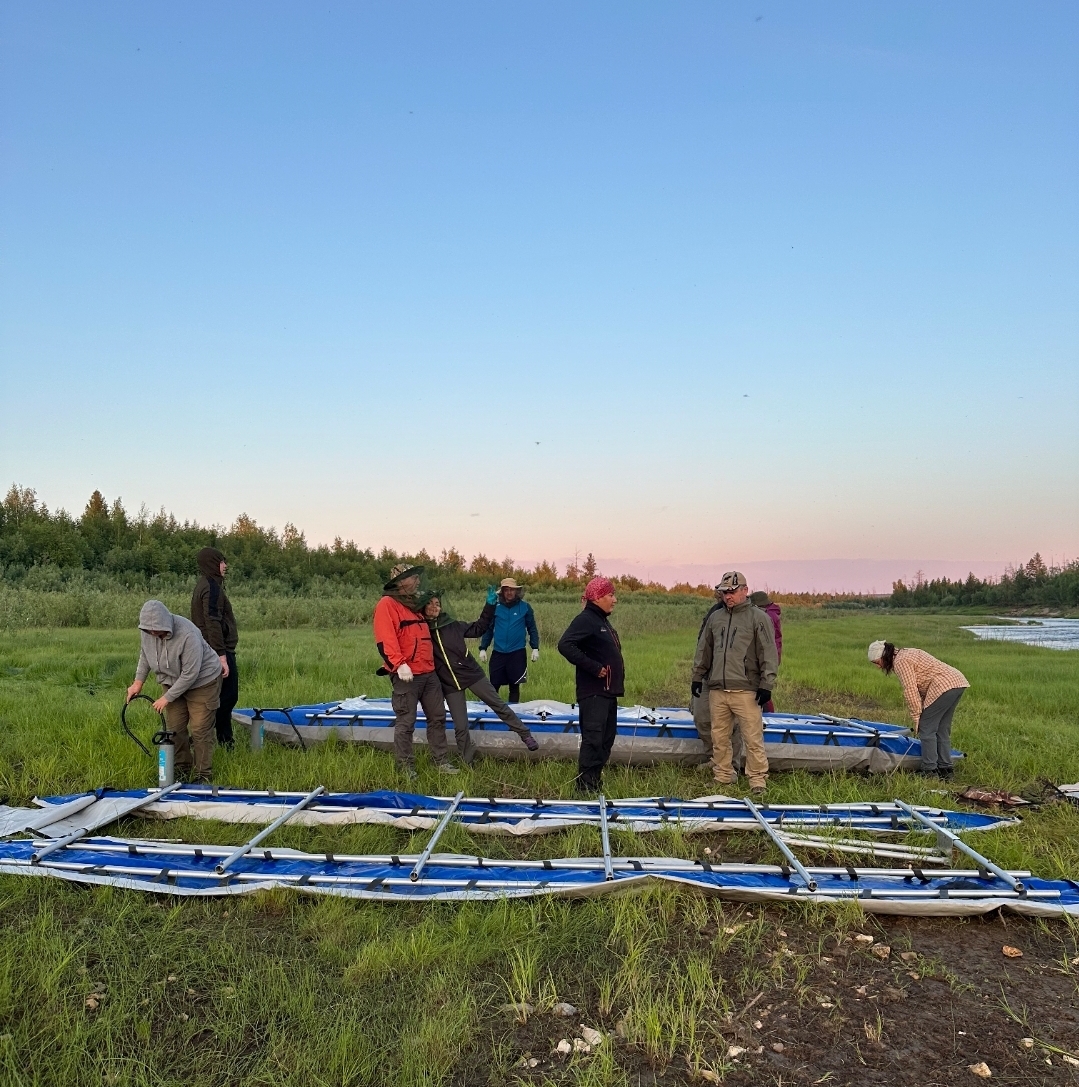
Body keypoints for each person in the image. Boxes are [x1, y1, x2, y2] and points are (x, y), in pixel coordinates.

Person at [423, 589, 540, 764]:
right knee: (461, 726)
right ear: (423, 607)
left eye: (437, 604)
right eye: (430, 604)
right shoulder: (421, 629)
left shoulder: (452, 624)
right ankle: (468, 761)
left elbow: (479, 628)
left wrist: (490, 605)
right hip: (450, 683)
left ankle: (525, 734)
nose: (434, 607)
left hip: (471, 674)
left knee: (498, 704)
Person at [691, 571, 778, 794]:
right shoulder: (715, 617)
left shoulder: (759, 618)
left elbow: (768, 653)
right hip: (718, 689)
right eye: (724, 592)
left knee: (752, 738)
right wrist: (697, 677)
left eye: (731, 591)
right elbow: (704, 650)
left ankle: (757, 780)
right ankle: (723, 775)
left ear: (744, 591)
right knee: (719, 737)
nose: (727, 596)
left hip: (746, 689)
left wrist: (766, 685)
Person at [373, 564, 458, 779]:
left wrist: (433, 612)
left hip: (429, 673)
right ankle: (405, 768)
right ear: (401, 581)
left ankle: (441, 762)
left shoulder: (415, 604)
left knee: (438, 718)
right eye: (413, 578)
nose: (418, 581)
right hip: (406, 675)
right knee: (406, 722)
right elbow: (385, 638)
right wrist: (399, 663)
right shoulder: (387, 604)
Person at [126, 599, 223, 783]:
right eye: (149, 630)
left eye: (157, 630)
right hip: (171, 681)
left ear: (166, 623)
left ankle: (203, 775)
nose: (153, 633)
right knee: (175, 729)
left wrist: (166, 698)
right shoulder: (147, 632)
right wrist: (138, 682)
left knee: (200, 729)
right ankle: (182, 769)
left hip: (203, 681)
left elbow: (190, 673)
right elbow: (145, 655)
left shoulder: (188, 634)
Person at [557, 576, 625, 792]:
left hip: (607, 691)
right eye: (610, 595)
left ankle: (594, 782)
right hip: (594, 692)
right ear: (597, 597)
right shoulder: (586, 618)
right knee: (593, 739)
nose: (614, 600)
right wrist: (594, 668)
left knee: (606, 739)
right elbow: (565, 645)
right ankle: (584, 787)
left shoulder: (601, 620)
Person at [868, 641, 969, 778]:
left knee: (926, 729)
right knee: (941, 729)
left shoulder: (901, 662)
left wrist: (917, 718)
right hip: (957, 682)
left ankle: (929, 770)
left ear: (884, 655)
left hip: (944, 685)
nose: (878, 666)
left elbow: (910, 691)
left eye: (877, 662)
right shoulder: (906, 652)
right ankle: (946, 769)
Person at [191, 546, 239, 748]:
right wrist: (221, 656)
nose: (225, 566)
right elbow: (212, 621)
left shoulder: (208, 585)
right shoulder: (211, 587)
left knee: (221, 698)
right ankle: (209, 740)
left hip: (211, 650)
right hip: (216, 651)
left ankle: (223, 741)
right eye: (221, 561)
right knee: (226, 698)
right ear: (213, 563)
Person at [478, 578, 539, 703]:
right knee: (494, 685)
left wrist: (535, 647)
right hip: (498, 651)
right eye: (506, 590)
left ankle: (513, 714)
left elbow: (532, 628)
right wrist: (483, 648)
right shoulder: (496, 607)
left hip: (517, 652)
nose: (509, 592)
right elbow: (489, 628)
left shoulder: (525, 607)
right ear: (502, 592)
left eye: (512, 590)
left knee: (514, 686)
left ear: (516, 591)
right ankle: (492, 713)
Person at [749, 591, 783, 712]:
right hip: (772, 654)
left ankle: (768, 715)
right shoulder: (772, 614)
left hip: (767, 656)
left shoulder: (767, 616)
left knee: (762, 687)